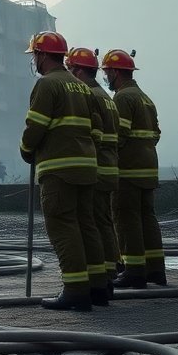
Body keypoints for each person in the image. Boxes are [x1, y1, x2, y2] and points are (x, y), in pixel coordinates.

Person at [20, 31, 106, 311]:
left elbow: (36, 126)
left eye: (35, 54)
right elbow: (97, 129)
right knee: (86, 224)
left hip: (59, 169)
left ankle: (75, 290)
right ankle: (97, 287)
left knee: (63, 226)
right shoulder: (81, 86)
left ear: (42, 55)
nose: (34, 59)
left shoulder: (47, 85)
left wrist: (25, 149)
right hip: (86, 167)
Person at [102, 49, 166, 289]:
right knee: (147, 218)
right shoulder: (145, 98)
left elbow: (119, 135)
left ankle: (134, 271)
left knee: (126, 219)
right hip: (148, 168)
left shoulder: (122, 98)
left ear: (117, 72)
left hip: (128, 171)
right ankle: (155, 270)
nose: (106, 77)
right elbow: (156, 133)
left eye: (107, 72)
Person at [66, 47, 121, 294]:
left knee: (94, 223)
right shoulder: (105, 96)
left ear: (78, 70)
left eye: (70, 69)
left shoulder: (90, 94)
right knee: (103, 222)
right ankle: (109, 270)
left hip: (97, 166)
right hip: (109, 164)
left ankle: (103, 274)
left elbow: (93, 134)